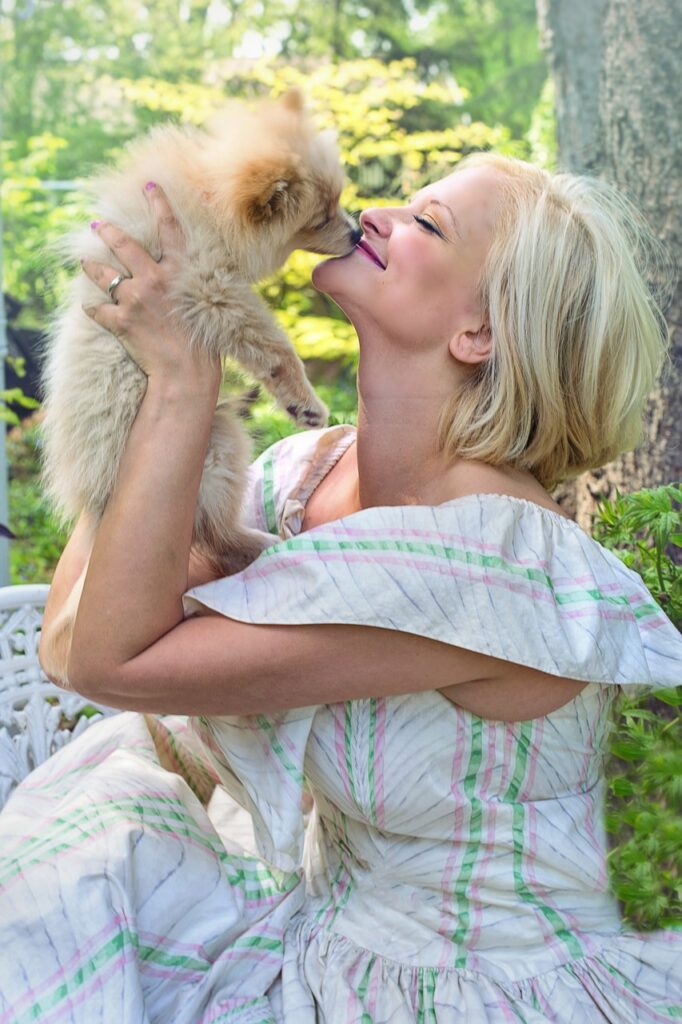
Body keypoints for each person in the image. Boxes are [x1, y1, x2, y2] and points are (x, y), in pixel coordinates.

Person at [1, 153, 680, 1022]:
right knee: (74, 859)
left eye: (428, 222)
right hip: (323, 937)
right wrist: (139, 362)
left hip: (479, 988)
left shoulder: (494, 566)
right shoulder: (304, 476)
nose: (382, 214)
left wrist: (179, 383)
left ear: (478, 332)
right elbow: (72, 641)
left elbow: (111, 661)